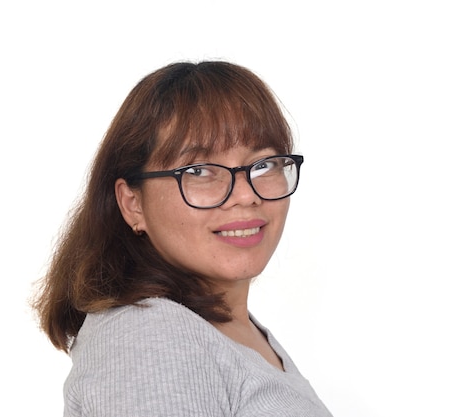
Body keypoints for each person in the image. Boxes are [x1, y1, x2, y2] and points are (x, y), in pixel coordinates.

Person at [33, 61, 332, 416]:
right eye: (198, 170)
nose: (244, 195)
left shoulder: (229, 329)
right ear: (133, 204)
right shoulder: (150, 337)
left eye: (263, 164)